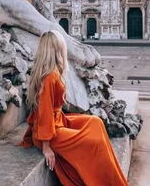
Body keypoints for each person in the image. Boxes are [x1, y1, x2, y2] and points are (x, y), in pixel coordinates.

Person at [20, 30, 129, 186]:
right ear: (57, 51)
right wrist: (46, 147)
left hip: (57, 121)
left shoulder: (52, 73)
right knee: (94, 142)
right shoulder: (50, 77)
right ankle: (104, 181)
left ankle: (110, 178)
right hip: (50, 133)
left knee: (95, 123)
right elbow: (45, 113)